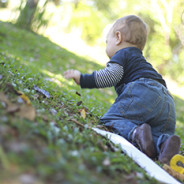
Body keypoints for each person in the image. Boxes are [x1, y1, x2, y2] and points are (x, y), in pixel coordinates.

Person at [64, 15, 181, 164]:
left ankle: (136, 132)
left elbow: (111, 75)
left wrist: (83, 79)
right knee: (156, 132)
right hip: (167, 101)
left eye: (107, 41)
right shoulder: (139, 59)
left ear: (118, 37)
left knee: (111, 119)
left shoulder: (122, 54)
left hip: (144, 90)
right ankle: (165, 145)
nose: (106, 45)